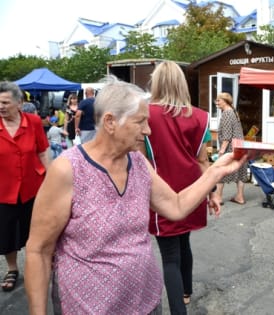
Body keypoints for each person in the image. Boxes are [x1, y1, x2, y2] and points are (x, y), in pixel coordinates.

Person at [24, 76, 247, 315]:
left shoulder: (138, 163)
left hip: (144, 302)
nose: (148, 130)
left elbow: (176, 206)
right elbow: (38, 250)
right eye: (140, 122)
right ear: (110, 122)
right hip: (88, 307)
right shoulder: (68, 170)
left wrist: (216, 171)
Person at [144, 61, 217, 314]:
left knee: (170, 256)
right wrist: (212, 192)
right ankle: (186, 293)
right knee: (184, 242)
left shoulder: (144, 113)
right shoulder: (199, 116)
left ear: (157, 82)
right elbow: (203, 161)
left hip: (161, 191)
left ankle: (179, 309)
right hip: (193, 189)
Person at [0, 81, 49, 292]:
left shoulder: (34, 122)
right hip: (3, 190)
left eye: (5, 102)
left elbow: (43, 152)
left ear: (19, 103)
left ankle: (35, 267)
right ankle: (12, 269)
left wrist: (52, 181)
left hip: (33, 188)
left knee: (36, 231)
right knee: (6, 232)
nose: (1, 106)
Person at [214, 92, 248, 205]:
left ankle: (218, 198)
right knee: (241, 171)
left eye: (218, 100)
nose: (216, 102)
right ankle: (240, 197)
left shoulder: (227, 113)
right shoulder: (233, 112)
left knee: (220, 171)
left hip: (230, 148)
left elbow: (227, 135)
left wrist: (221, 150)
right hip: (239, 146)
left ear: (225, 101)